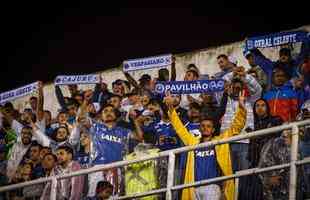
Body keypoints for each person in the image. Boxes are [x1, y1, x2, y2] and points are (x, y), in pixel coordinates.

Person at [164, 90, 247, 200]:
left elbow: (236, 127)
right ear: (199, 128)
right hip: (193, 187)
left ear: (213, 130)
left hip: (213, 187)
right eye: (203, 126)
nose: (205, 128)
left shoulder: (221, 141)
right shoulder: (192, 142)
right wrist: (170, 108)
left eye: (208, 126)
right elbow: (179, 127)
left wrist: (241, 108)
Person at [258, 128, 308, 200]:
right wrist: (270, 176)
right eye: (286, 136)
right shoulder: (274, 143)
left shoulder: (301, 146)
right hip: (278, 188)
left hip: (298, 187)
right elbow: (264, 162)